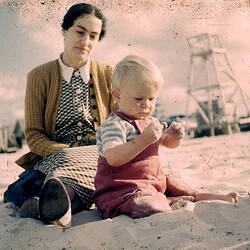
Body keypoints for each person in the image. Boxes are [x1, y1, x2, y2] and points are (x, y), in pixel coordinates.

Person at [4, 3, 116, 228]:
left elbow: (117, 124)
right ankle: (51, 205)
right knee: (20, 190)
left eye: (93, 36)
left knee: (41, 189)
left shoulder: (108, 73)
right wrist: (66, 154)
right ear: (64, 31)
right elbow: (34, 136)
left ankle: (43, 207)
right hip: (55, 158)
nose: (85, 41)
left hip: (98, 157)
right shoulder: (39, 76)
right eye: (80, 32)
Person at [92, 55, 238, 219]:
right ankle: (168, 201)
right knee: (145, 204)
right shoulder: (114, 125)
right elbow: (113, 158)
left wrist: (174, 137)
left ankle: (208, 197)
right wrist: (143, 139)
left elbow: (167, 143)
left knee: (179, 185)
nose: (146, 105)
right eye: (139, 98)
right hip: (121, 191)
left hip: (153, 183)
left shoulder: (150, 122)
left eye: (152, 99)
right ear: (117, 95)